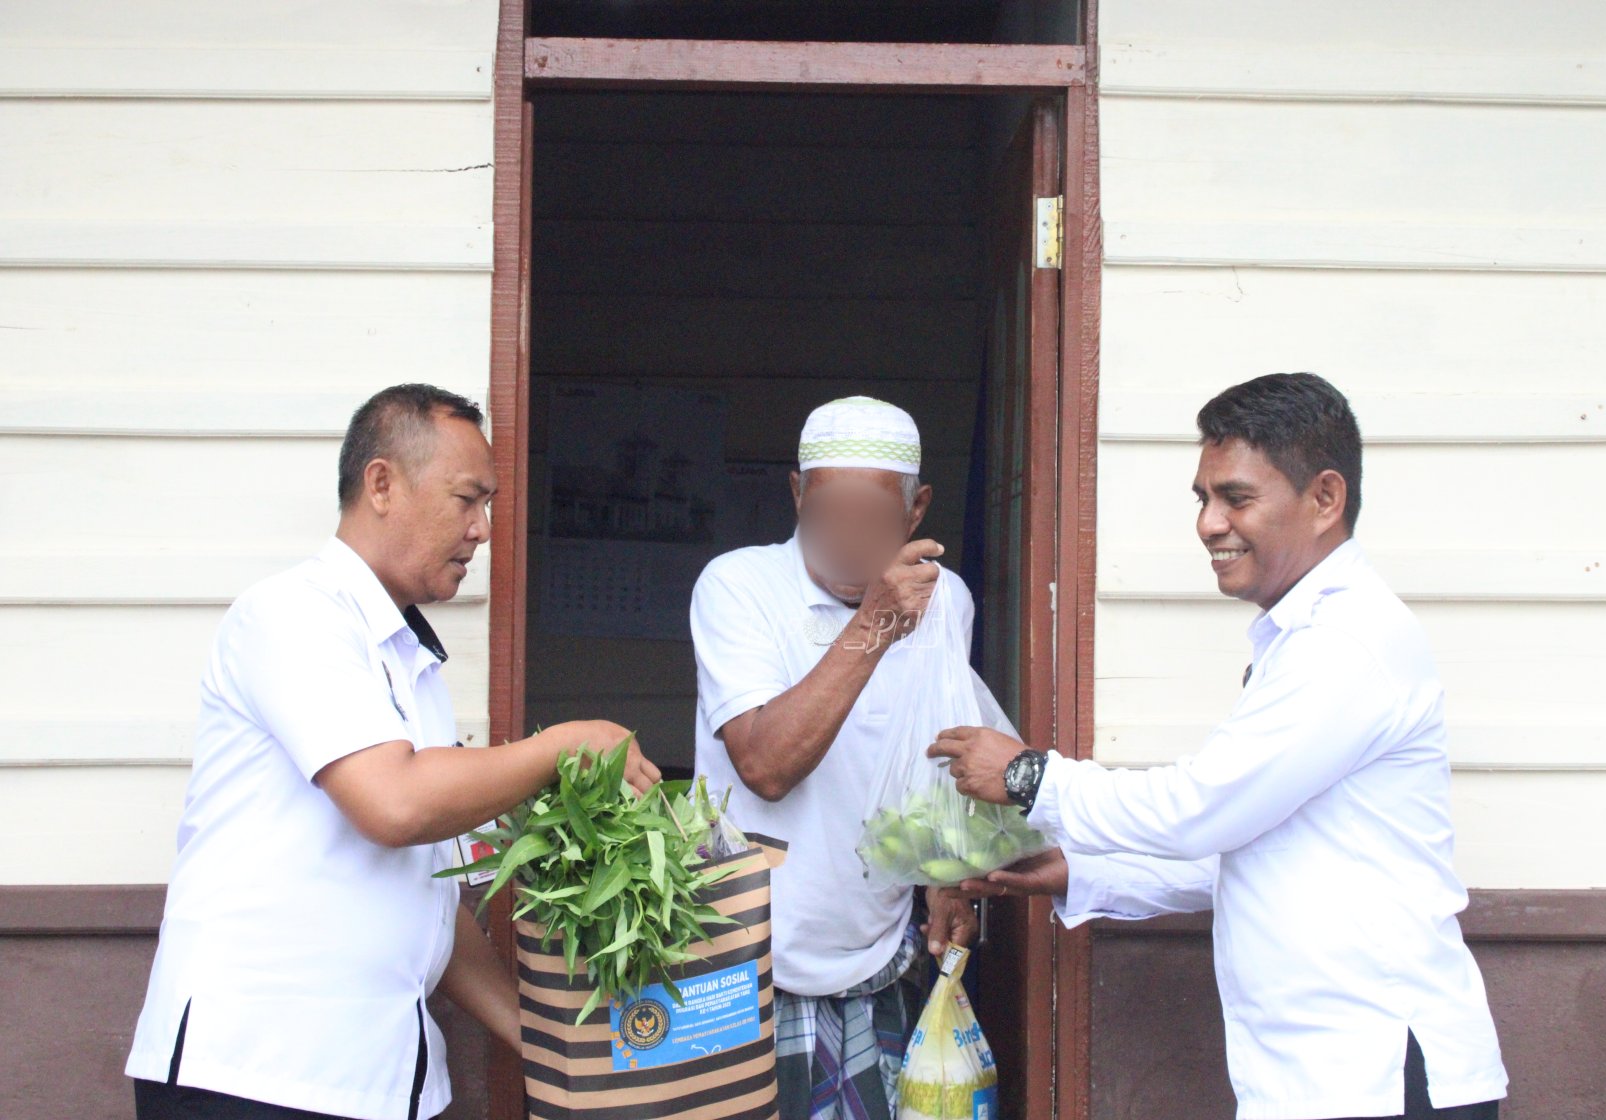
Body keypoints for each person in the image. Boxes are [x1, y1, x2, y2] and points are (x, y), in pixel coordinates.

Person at [932, 373, 1508, 1120]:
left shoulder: (1347, 641)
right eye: (1202, 499)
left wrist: (1028, 776)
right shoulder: (1303, 640)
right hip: (1321, 1080)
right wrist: (1080, 872)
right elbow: (1244, 855)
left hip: (1375, 1073)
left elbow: (1203, 809)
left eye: (1235, 498)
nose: (1208, 523)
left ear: (1325, 499)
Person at [126, 384, 660, 1120]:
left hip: (377, 1081)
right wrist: (564, 746)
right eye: (467, 499)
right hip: (254, 1075)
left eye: (488, 506)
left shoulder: (412, 663)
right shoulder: (294, 615)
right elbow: (395, 803)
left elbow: (429, 900)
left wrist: (550, 1048)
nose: (481, 530)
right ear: (381, 484)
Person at [690, 396, 980, 1120]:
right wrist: (878, 619)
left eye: (872, 521)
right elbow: (766, 765)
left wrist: (948, 878)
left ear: (917, 513)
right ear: (796, 495)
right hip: (743, 962)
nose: (847, 540)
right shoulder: (737, 587)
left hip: (880, 954)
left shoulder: (947, 603)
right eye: (827, 515)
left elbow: (936, 762)